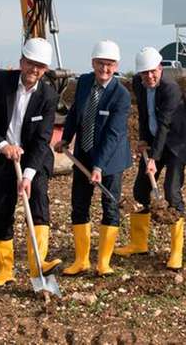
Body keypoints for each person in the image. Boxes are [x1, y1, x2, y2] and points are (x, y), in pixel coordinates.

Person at [0, 37, 61, 287]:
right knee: (1, 209)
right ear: (22, 61)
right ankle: (5, 270)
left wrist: (28, 176)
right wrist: (3, 146)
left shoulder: (48, 95)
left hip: (33, 159)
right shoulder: (0, 83)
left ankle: (39, 267)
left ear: (45, 70)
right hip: (1, 155)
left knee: (38, 206)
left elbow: (43, 138)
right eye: (31, 64)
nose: (34, 70)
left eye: (40, 67)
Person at [114, 47, 186, 270]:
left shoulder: (171, 89)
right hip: (154, 142)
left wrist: (154, 158)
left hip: (178, 144)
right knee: (141, 189)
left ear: (160, 68)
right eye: (144, 73)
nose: (149, 77)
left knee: (172, 191)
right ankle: (139, 243)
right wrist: (143, 139)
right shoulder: (139, 85)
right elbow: (144, 113)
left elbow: (165, 124)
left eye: (153, 72)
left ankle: (176, 252)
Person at [54, 40, 131, 276]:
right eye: (100, 64)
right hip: (83, 156)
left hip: (110, 160)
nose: (104, 69)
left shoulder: (121, 95)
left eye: (109, 65)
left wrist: (99, 166)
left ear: (116, 66)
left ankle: (103, 263)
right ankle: (81, 260)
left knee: (110, 206)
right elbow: (76, 112)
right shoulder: (85, 82)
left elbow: (114, 134)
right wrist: (66, 138)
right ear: (92, 63)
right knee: (79, 205)